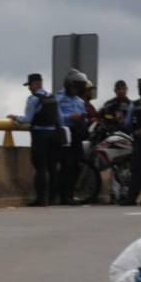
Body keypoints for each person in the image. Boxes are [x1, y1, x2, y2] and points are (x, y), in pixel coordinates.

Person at [8, 73, 62, 206]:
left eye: (29, 86)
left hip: (40, 136)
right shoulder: (53, 97)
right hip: (54, 136)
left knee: (41, 168)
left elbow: (27, 119)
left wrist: (15, 117)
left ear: (34, 84)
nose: (29, 89)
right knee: (53, 168)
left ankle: (40, 199)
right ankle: (53, 199)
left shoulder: (33, 99)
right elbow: (60, 119)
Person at [57, 68, 90, 204]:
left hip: (77, 135)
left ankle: (71, 193)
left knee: (78, 165)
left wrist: (83, 119)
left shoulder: (79, 101)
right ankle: (65, 196)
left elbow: (83, 116)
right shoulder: (59, 98)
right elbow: (57, 118)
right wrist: (70, 116)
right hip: (65, 134)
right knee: (67, 165)